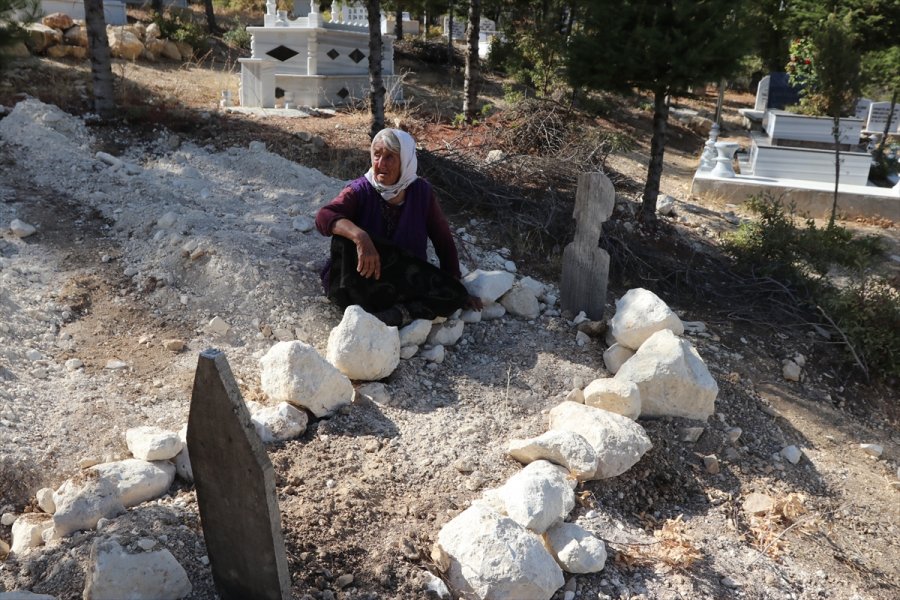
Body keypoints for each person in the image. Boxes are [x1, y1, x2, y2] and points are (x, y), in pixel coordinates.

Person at [315, 128, 480, 326]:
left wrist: (454, 282)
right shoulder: (360, 190)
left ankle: (397, 314)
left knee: (452, 295)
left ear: (405, 161)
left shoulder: (421, 192)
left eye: (390, 157)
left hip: (402, 275)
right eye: (377, 155)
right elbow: (325, 216)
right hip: (365, 277)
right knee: (343, 237)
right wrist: (361, 237)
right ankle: (364, 314)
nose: (380, 164)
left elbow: (442, 237)